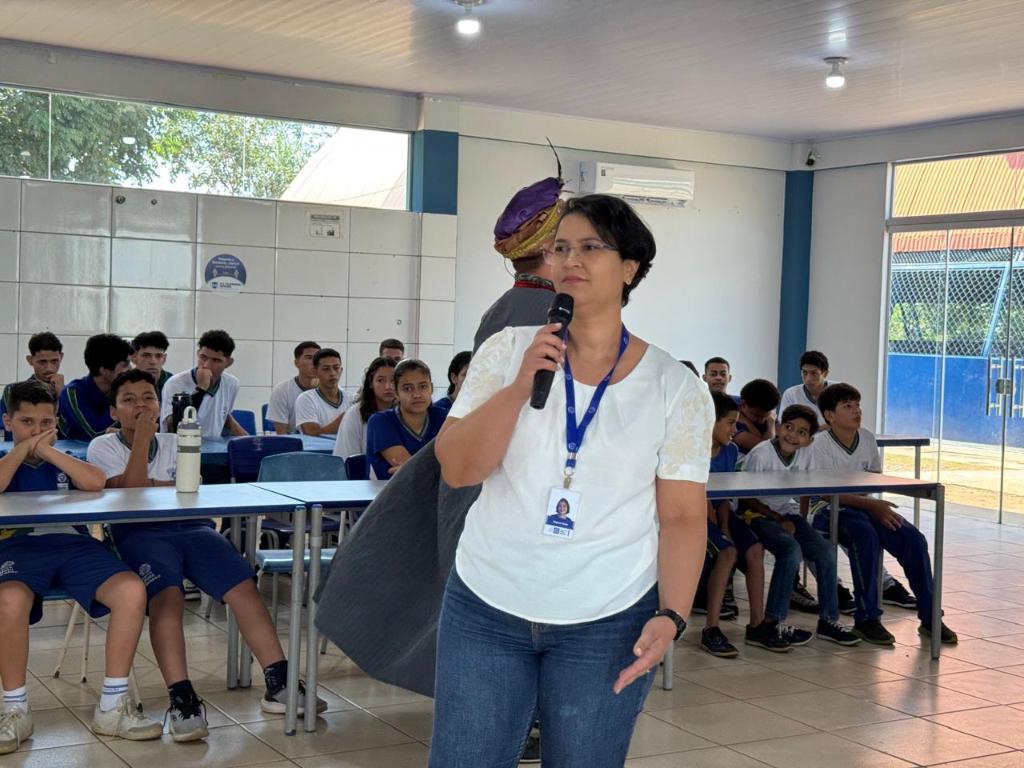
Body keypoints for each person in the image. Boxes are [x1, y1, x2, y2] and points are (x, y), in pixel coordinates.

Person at [429, 194, 712, 766]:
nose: (570, 260)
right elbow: (458, 468)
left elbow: (682, 516)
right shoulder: (508, 351)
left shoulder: (674, 387)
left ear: (630, 268)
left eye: (590, 247)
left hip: (607, 619)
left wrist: (673, 614)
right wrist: (517, 387)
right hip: (487, 605)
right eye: (560, 248)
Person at [316, 171, 568, 765]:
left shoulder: (513, 303)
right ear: (554, 245)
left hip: (488, 471)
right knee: (510, 610)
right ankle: (516, 720)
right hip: (505, 478)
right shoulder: (543, 312)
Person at [86, 370, 325, 741]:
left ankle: (279, 681)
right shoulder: (101, 448)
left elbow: (189, 486)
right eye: (129, 400)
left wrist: (150, 482)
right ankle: (182, 698)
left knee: (243, 585)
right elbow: (132, 492)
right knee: (168, 598)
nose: (140, 406)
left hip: (193, 527)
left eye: (148, 397)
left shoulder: (179, 438)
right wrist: (144, 453)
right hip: (139, 533)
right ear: (114, 411)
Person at [0, 381, 161, 752]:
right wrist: (23, 448)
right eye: (27, 422)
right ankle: (15, 708)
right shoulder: (5, 459)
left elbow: (95, 481)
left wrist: (47, 450)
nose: (38, 431)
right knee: (8, 600)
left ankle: (112, 706)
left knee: (131, 590)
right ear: (8, 422)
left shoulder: (67, 457)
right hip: (19, 548)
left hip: (76, 547)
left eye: (46, 423)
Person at [809, 383, 958, 647]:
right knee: (865, 536)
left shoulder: (866, 439)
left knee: (912, 538)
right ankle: (867, 619)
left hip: (865, 506)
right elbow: (823, 493)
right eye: (847, 407)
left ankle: (930, 616)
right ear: (830, 416)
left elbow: (873, 481)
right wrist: (871, 507)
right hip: (829, 509)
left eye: (857, 406)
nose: (856, 412)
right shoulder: (820, 445)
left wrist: (872, 506)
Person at [739, 404, 861, 648]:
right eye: (789, 428)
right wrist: (777, 519)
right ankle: (772, 623)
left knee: (825, 551)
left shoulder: (806, 454)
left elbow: (805, 490)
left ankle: (828, 620)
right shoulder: (762, 454)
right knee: (790, 550)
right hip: (756, 514)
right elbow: (745, 497)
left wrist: (800, 521)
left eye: (802, 432)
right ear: (779, 427)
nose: (793, 435)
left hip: (786, 513)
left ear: (808, 439)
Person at [700, 392, 777, 657]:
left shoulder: (730, 450)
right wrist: (721, 532)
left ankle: (757, 625)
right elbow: (698, 498)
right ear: (708, 421)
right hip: (695, 514)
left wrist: (724, 526)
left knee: (755, 550)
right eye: (729, 423)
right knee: (727, 551)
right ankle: (711, 628)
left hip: (720, 512)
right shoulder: (692, 450)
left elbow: (722, 499)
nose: (734, 430)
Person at [366, 359, 444, 480]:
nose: (417, 394)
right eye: (407, 389)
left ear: (431, 388)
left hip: (438, 495)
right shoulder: (380, 422)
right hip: (390, 496)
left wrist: (414, 469)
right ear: (396, 392)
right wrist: (442, 467)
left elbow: (462, 461)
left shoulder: (444, 417)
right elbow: (409, 472)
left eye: (423, 386)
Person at [160, 330, 246, 438]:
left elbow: (223, 416)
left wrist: (247, 439)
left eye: (216, 360)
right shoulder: (175, 383)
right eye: (203, 358)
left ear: (229, 363)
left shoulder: (231, 384)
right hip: (179, 448)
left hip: (211, 449)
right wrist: (200, 390)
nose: (207, 365)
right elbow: (174, 427)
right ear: (197, 354)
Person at [58, 333, 133, 441]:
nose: (131, 369)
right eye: (125, 364)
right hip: (74, 455)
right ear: (104, 370)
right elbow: (95, 432)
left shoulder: (125, 389)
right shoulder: (72, 393)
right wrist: (122, 399)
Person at [0, 332, 65, 438]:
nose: (49, 368)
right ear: (30, 360)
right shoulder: (13, 391)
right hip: (19, 451)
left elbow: (69, 432)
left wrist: (62, 397)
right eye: (42, 362)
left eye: (54, 361)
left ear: (61, 357)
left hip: (55, 451)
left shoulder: (70, 394)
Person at [333, 357, 397, 460]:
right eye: (380, 380)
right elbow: (348, 458)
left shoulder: (405, 412)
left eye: (393, 381)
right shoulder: (355, 414)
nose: (388, 386)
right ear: (371, 383)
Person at [267, 341, 321, 434]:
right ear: (296, 363)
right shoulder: (282, 391)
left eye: (317, 358)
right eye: (309, 358)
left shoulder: (331, 391)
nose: (314, 362)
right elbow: (281, 434)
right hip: (296, 446)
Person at [294, 348, 348, 436]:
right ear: (315, 372)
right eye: (326, 369)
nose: (332, 373)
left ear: (341, 371)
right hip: (316, 450)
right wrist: (346, 417)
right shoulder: (306, 399)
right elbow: (312, 433)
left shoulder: (353, 398)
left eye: (336, 368)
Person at [778, 350, 830, 430]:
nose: (808, 379)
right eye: (804, 373)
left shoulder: (840, 392)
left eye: (814, 373)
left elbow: (850, 422)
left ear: (825, 374)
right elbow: (784, 426)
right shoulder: (791, 394)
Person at [733, 378, 779, 455]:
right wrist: (771, 424)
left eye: (766, 416)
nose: (762, 420)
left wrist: (771, 421)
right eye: (757, 416)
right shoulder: (733, 421)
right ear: (743, 405)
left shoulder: (770, 415)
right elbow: (767, 450)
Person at [130, 331, 173, 396]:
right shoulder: (122, 384)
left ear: (164, 359)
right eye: (146, 356)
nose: (153, 362)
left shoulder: (173, 383)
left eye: (158, 356)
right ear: (134, 358)